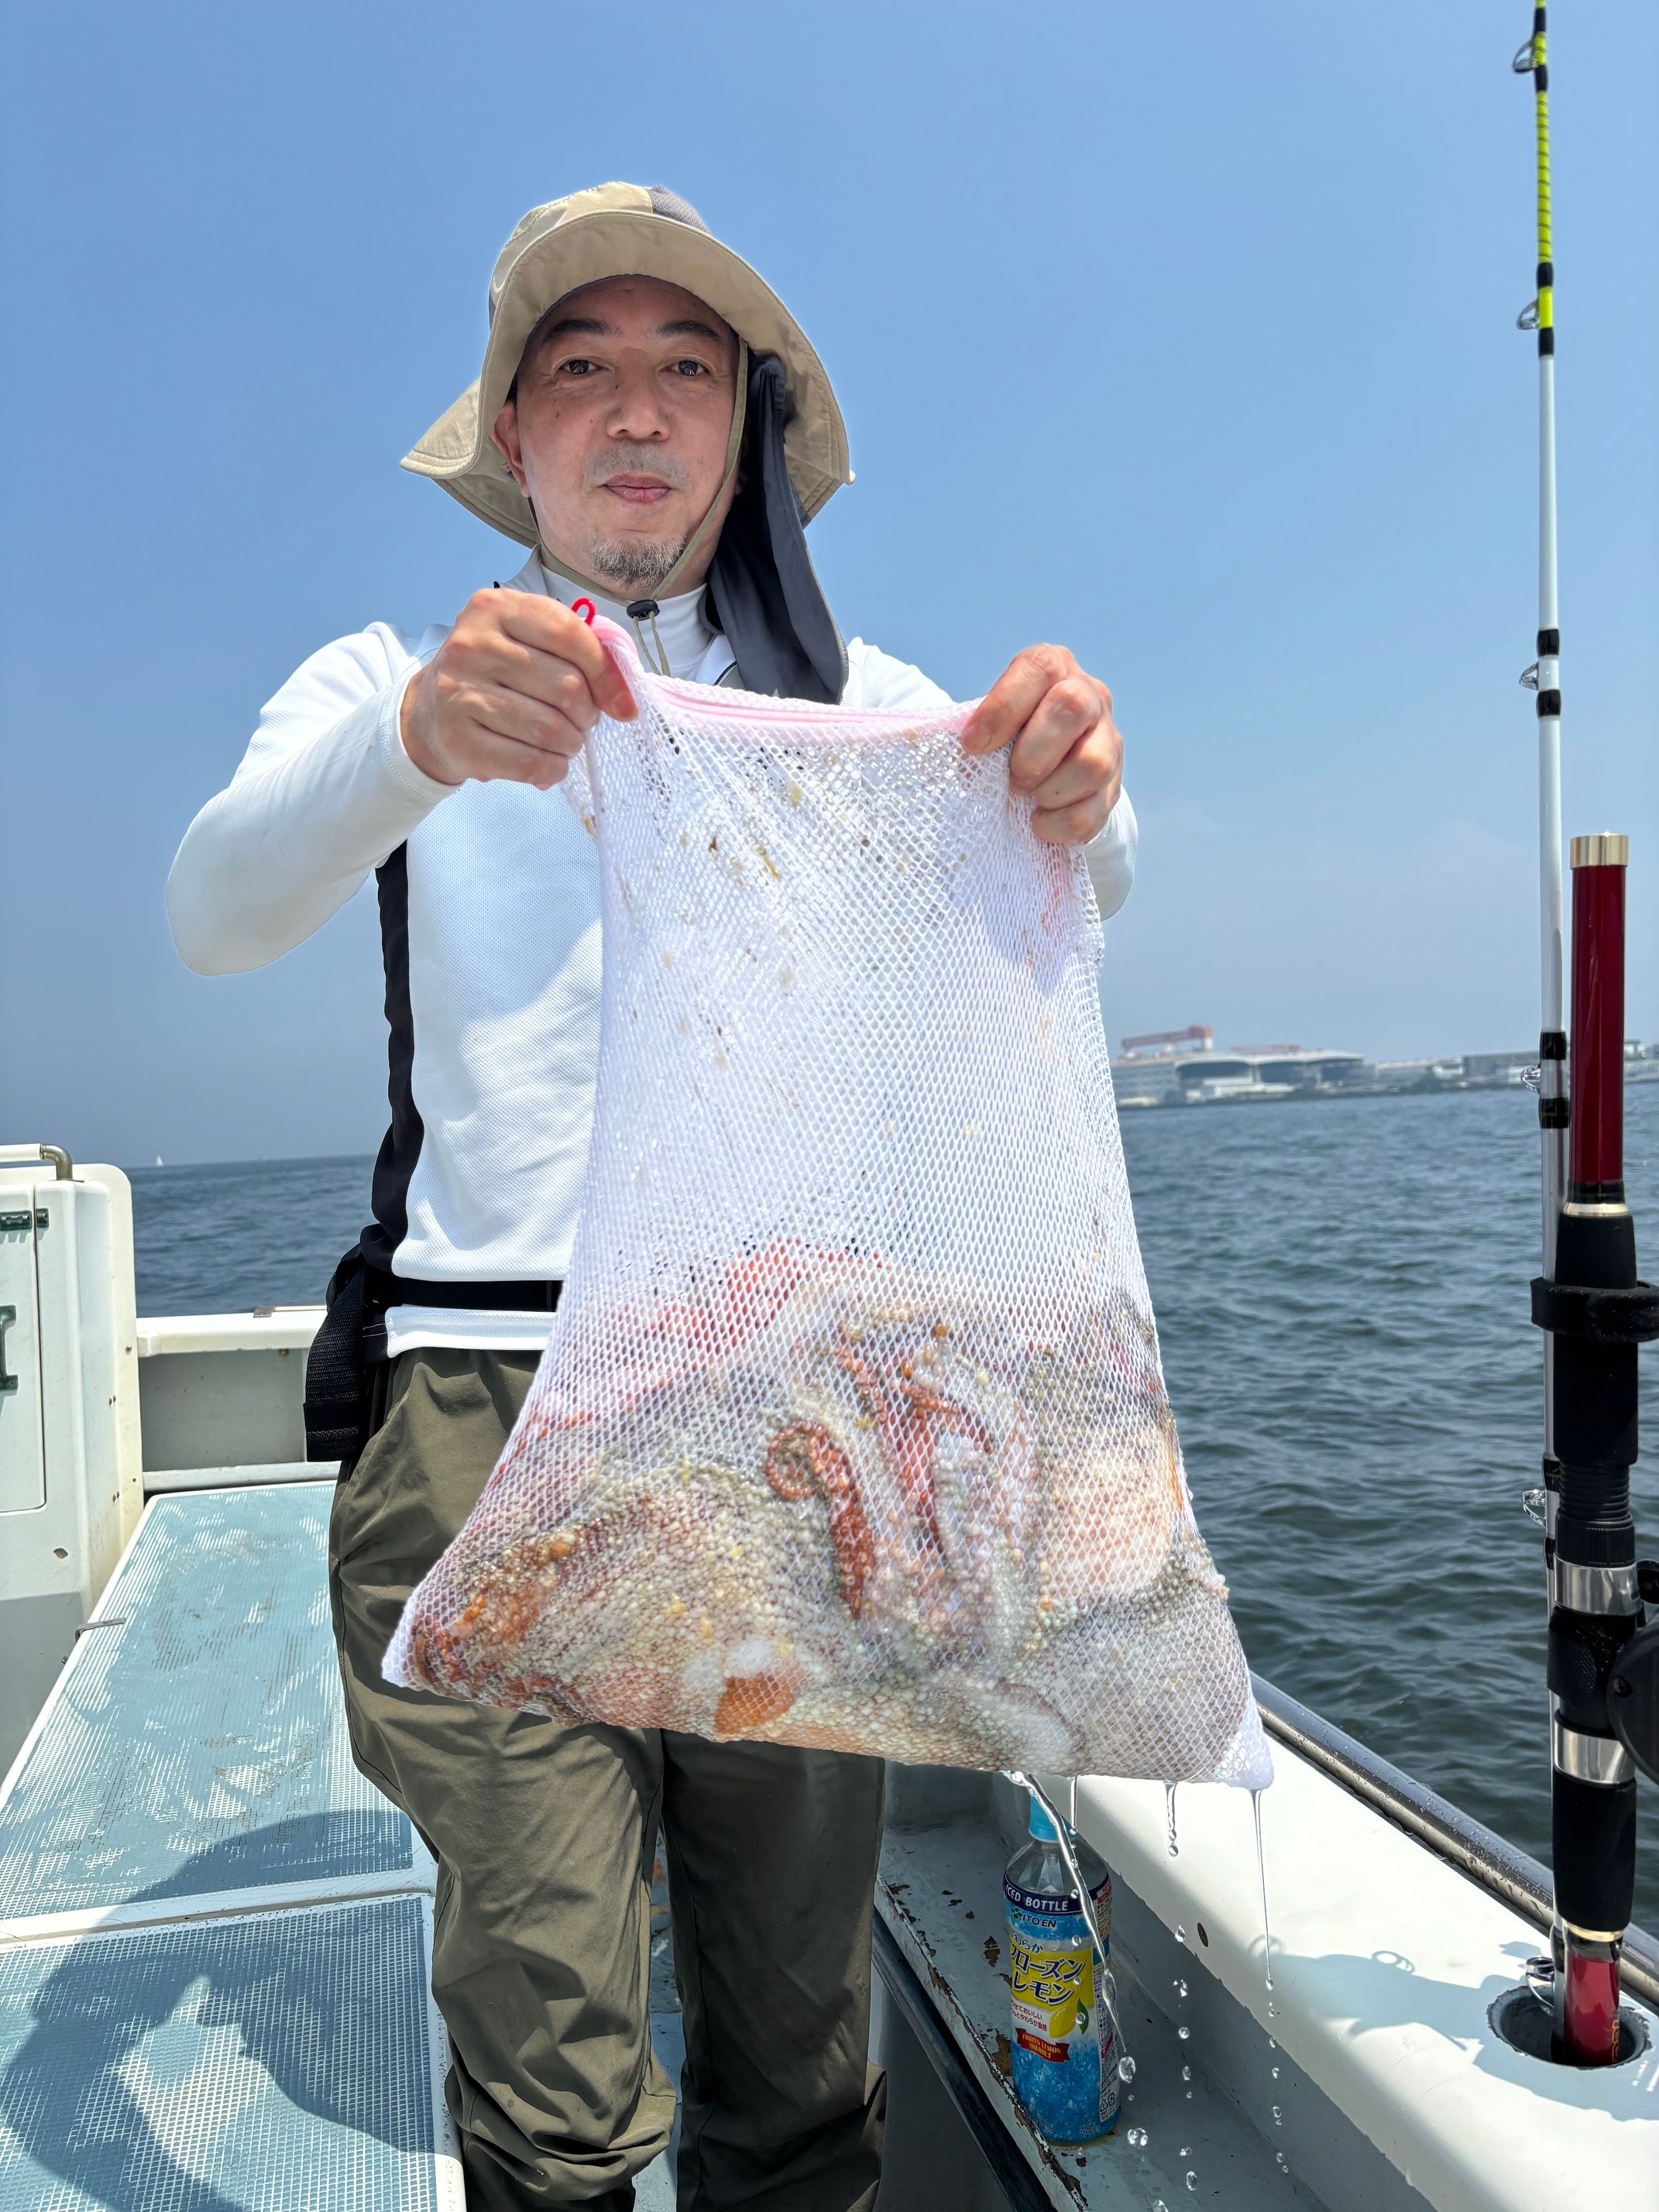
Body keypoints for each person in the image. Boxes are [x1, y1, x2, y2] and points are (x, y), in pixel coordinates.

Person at [167, 182, 1136, 2212]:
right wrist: (415, 742)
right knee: (553, 2063)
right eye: (582, 368)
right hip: (483, 1404)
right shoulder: (392, 677)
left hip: (787, 1420)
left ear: (744, 434)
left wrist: (1082, 783)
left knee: (797, 2038)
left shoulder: (863, 695)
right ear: (513, 438)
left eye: (686, 368)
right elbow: (214, 908)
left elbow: (1091, 880)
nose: (634, 408)